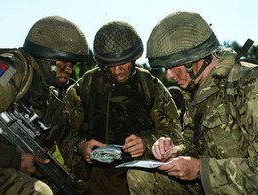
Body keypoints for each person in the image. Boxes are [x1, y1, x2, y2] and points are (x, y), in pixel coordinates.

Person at [127, 11, 258, 194]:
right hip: (210, 185)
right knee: (139, 175)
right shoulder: (196, 92)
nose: (168, 76)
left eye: (172, 66)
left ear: (197, 58)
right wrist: (174, 150)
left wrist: (201, 170)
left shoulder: (252, 84)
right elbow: (193, 145)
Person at [0, 16, 89, 194]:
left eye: (72, 64)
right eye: (63, 62)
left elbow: (64, 138)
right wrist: (14, 160)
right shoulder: (13, 69)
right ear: (44, 57)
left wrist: (82, 147)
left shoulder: (52, 95)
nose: (69, 69)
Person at [60, 21, 183, 195]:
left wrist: (146, 144)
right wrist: (80, 146)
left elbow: (176, 135)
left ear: (134, 57)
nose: (118, 71)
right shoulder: (85, 87)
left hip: (139, 178)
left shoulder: (151, 87)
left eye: (123, 63)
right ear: (102, 62)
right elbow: (63, 133)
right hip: (93, 179)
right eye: (111, 65)